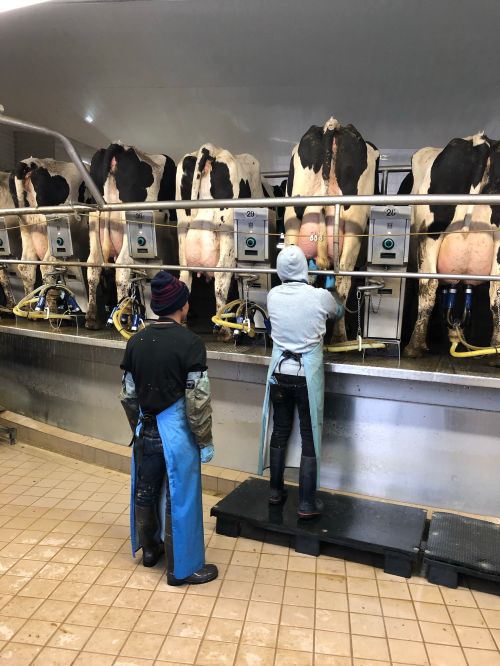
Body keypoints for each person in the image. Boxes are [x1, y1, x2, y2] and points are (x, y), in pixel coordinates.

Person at [120, 270, 218, 586]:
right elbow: (197, 400)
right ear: (182, 304)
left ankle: (150, 551)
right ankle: (182, 569)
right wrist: (203, 439)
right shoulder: (190, 343)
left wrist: (139, 425)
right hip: (177, 433)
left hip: (145, 429)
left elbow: (128, 394)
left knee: (146, 492)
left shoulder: (135, 341)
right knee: (181, 495)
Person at [259, 245, 344, 518]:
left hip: (279, 374)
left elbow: (275, 322)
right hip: (306, 376)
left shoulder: (272, 295)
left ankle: (275, 492)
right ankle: (306, 503)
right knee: (309, 436)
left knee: (280, 431)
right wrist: (329, 287)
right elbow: (338, 311)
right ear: (306, 269)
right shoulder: (318, 296)